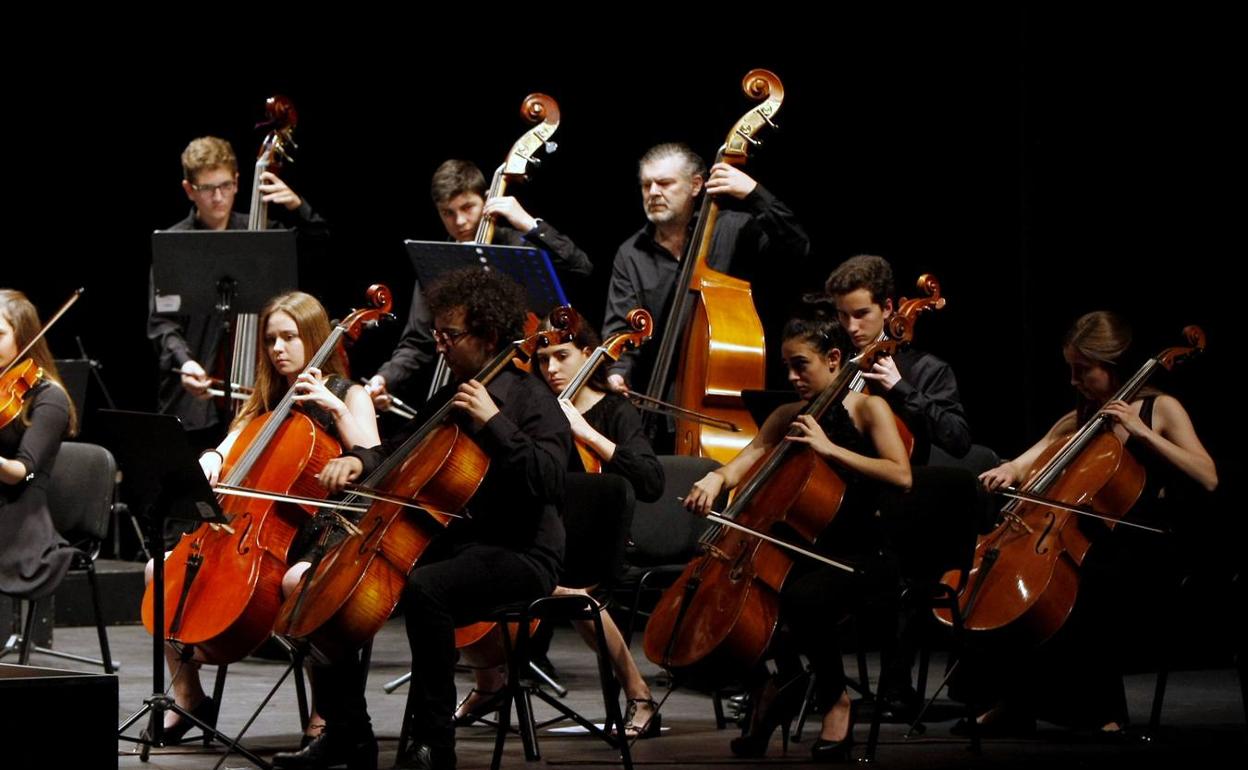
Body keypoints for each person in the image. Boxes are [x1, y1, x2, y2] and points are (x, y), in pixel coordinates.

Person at [279, 269, 570, 770]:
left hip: (521, 551)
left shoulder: (530, 400)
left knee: (428, 590)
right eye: (436, 334)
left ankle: (433, 745)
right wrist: (362, 461)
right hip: (456, 541)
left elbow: (549, 481)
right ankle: (349, 733)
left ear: (488, 336)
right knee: (317, 584)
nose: (440, 346)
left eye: (450, 336)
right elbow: (401, 449)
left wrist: (494, 422)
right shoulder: (454, 392)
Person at [956, 310, 1216, 735]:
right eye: (1070, 370)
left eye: (1083, 371)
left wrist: (1143, 432)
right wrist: (1009, 471)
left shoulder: (1160, 408)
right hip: (1086, 535)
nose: (1074, 381)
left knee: (1085, 584)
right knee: (1010, 580)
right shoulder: (1079, 421)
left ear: (1113, 367)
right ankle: (1016, 701)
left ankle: (1103, 711)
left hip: (1145, 541)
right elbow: (1030, 459)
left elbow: (1208, 475)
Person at [143, 291, 379, 745]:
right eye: (271, 339)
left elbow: (376, 463)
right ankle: (190, 700)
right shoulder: (266, 399)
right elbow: (230, 447)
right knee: (160, 570)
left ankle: (324, 711)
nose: (277, 348)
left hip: (325, 535)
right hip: (260, 533)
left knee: (301, 584)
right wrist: (212, 458)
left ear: (313, 339)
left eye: (289, 337)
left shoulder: (350, 394)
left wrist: (338, 410)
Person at [682, 313, 912, 761]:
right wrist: (716, 480)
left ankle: (834, 701)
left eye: (800, 364)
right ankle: (773, 684)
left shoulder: (869, 408)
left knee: (802, 600)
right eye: (786, 365)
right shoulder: (788, 415)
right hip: (800, 550)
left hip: (860, 553)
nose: (791, 376)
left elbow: (901, 475)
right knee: (733, 606)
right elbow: (749, 456)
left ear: (833, 358)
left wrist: (830, 448)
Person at [454, 321, 666, 738]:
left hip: (593, 540)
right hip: (535, 530)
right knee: (460, 565)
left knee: (569, 592)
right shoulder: (534, 407)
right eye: (544, 358)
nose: (551, 368)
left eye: (563, 356)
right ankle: (489, 683)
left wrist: (586, 432)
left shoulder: (614, 410)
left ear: (590, 355)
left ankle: (638, 694)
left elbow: (651, 480)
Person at [365, 159, 592, 413]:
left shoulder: (516, 246)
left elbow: (581, 267)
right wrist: (384, 378)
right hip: (458, 391)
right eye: (448, 213)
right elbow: (417, 342)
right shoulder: (436, 263)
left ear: (486, 199)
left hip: (522, 389)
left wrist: (529, 223)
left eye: (467, 207)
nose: (459, 221)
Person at [148, 136, 327, 448]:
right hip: (196, 400)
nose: (218, 197)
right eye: (207, 189)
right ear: (189, 190)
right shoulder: (174, 245)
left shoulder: (262, 234)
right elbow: (161, 323)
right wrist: (185, 361)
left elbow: (322, 246)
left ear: (237, 182)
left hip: (262, 390)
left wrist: (298, 207)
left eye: (226, 185)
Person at [602, 142, 810, 397]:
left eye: (665, 183)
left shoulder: (735, 229)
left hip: (725, 391)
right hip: (655, 397)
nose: (653, 192)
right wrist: (616, 372)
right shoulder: (630, 253)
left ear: (696, 185)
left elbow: (796, 247)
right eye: (646, 185)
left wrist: (754, 193)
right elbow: (622, 329)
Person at [0, 290, 79, 603]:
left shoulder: (49, 397)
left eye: (0, 335)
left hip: (18, 519)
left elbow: (20, 471)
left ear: (24, 336)